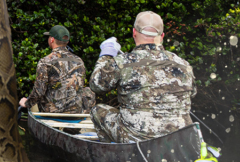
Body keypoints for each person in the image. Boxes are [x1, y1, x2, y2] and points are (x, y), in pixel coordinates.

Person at [88, 11, 196, 142]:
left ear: (134, 32)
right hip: (179, 138)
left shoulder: (123, 62)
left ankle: (112, 151)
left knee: (98, 110)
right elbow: (192, 93)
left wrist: (106, 55)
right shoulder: (183, 64)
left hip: (136, 139)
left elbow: (96, 85)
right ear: (162, 36)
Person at [18, 25, 95, 114]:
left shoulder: (46, 61)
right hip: (76, 113)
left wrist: (26, 103)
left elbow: (39, 92)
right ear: (67, 41)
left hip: (53, 113)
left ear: (52, 39)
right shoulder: (79, 61)